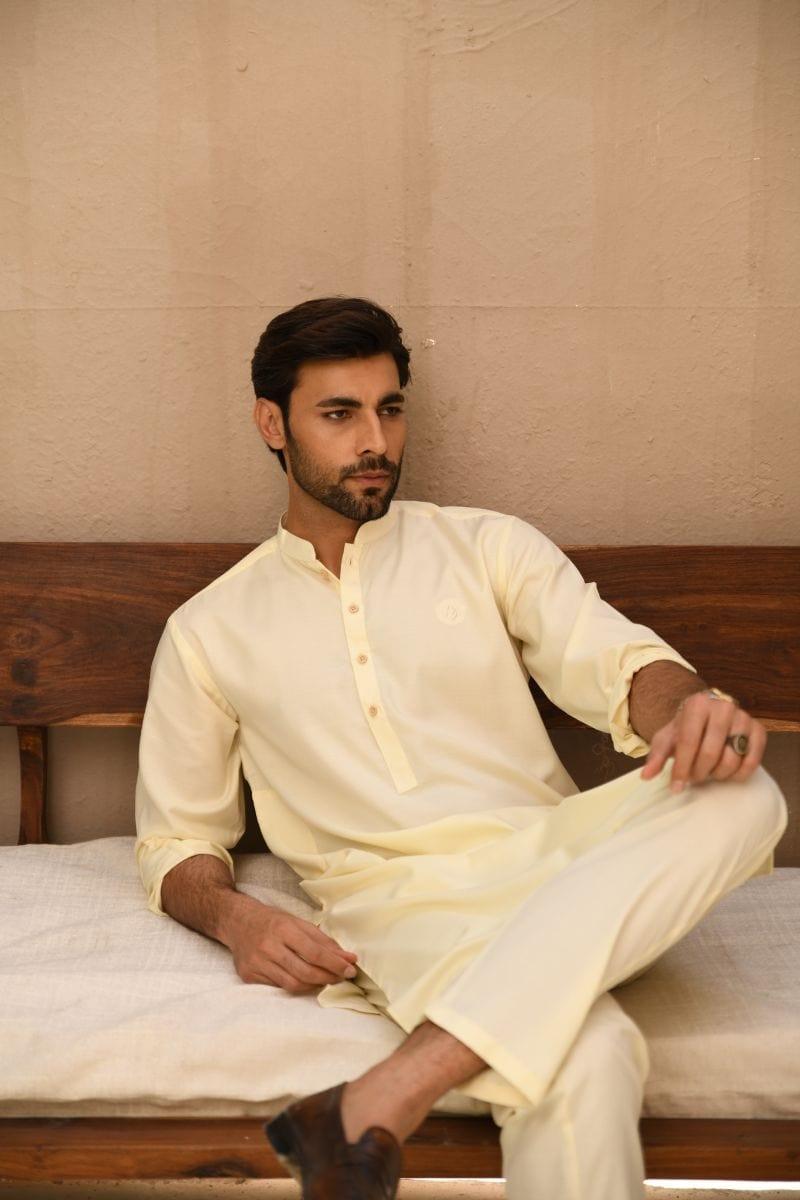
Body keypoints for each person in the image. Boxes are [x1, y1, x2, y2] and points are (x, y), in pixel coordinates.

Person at [134, 296, 787, 1200]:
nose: (375, 441)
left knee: (741, 787)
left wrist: (690, 708)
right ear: (272, 425)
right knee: (588, 1053)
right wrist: (236, 919)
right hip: (400, 904)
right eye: (339, 414)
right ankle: (378, 1100)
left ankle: (385, 1093)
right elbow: (176, 841)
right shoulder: (209, 629)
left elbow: (622, 665)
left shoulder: (487, 547)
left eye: (389, 409)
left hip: (559, 862)